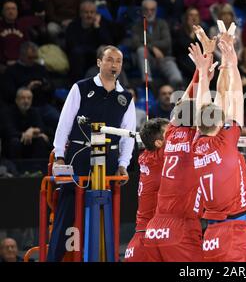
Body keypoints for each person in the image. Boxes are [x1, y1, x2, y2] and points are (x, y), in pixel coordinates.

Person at [48, 45, 136, 262]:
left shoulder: (125, 97)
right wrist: (60, 155)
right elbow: (64, 123)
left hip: (109, 160)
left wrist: (123, 164)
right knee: (67, 211)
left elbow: (128, 135)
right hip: (79, 155)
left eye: (118, 61)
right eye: (109, 59)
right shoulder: (81, 87)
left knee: (107, 212)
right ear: (99, 62)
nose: (114, 64)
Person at [142, 26, 215, 261]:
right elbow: (198, 105)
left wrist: (201, 71)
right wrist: (206, 67)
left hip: (155, 227)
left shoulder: (166, 140)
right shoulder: (196, 140)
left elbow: (184, 104)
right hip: (181, 227)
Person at [192, 27, 246, 261]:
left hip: (210, 234)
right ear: (220, 123)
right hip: (235, 232)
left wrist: (204, 71)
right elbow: (236, 96)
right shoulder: (225, 142)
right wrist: (231, 62)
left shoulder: (196, 143)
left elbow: (207, 104)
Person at [124, 118, 169, 262]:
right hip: (150, 240)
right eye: (170, 134)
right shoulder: (160, 159)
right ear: (158, 143)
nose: (175, 137)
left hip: (141, 237)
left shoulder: (145, 157)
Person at [131, 0, 184, 89]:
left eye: (152, 10)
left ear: (156, 10)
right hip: (148, 60)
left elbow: (167, 43)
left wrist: (150, 45)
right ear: (142, 11)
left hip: (164, 58)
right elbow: (135, 44)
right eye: (146, 9)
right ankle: (148, 82)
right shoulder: (136, 27)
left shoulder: (162, 24)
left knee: (177, 79)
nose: (149, 12)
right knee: (141, 50)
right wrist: (153, 48)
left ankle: (173, 98)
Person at [65, 0, 113, 84]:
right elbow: (71, 45)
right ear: (80, 14)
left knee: (105, 51)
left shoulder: (101, 24)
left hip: (95, 55)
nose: (89, 15)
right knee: (77, 53)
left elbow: (108, 43)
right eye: (86, 12)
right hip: (79, 56)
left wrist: (97, 28)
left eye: (92, 12)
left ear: (96, 14)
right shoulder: (73, 26)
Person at [7, 87, 51, 159]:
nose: (26, 101)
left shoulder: (34, 111)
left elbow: (42, 128)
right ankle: (15, 169)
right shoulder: (9, 112)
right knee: (14, 142)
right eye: (23, 98)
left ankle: (38, 167)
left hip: (31, 144)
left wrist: (32, 130)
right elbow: (9, 132)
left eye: (29, 98)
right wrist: (27, 134)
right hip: (16, 143)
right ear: (16, 100)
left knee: (41, 140)